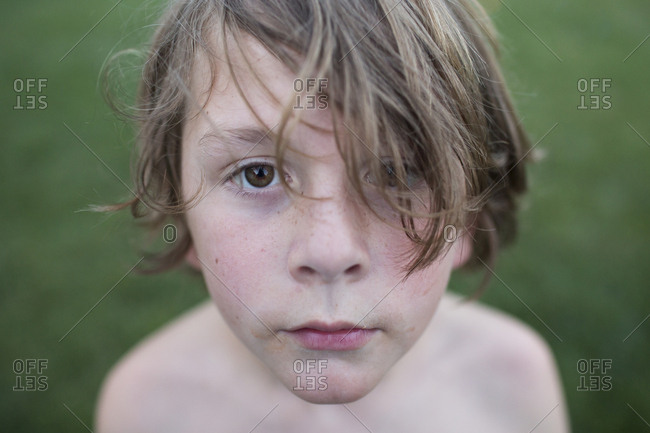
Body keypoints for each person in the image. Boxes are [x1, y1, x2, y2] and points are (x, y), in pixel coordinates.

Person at [96, 0, 570, 431]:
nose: (329, 252)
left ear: (470, 212)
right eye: (258, 174)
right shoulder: (148, 409)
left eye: (398, 173)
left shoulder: (512, 383)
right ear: (181, 205)